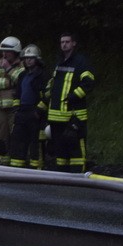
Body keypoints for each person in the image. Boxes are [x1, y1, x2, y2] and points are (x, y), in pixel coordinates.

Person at [44, 32, 95, 172]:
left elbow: (88, 82)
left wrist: (74, 96)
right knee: (60, 152)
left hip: (74, 115)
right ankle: (62, 181)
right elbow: (53, 83)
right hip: (56, 117)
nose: (64, 44)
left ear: (74, 43)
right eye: (62, 42)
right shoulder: (59, 62)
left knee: (76, 151)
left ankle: (79, 180)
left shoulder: (80, 61)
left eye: (67, 41)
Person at [0, 37, 25, 166]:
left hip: (14, 108)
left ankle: (16, 166)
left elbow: (20, 80)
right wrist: (9, 82)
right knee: (1, 138)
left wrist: (8, 70)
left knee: (16, 137)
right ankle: (4, 165)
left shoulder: (22, 65)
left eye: (7, 51)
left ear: (15, 52)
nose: (4, 54)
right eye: (3, 51)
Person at [9, 44, 46, 168]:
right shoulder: (22, 75)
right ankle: (17, 168)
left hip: (35, 113)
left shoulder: (43, 75)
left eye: (31, 58)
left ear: (37, 59)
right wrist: (16, 109)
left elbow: (47, 95)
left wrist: (39, 111)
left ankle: (36, 169)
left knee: (36, 143)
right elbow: (17, 94)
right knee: (18, 141)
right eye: (26, 58)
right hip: (21, 113)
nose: (28, 60)